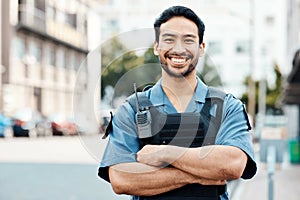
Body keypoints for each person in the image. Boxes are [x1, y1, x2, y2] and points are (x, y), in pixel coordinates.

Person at [98, 5, 257, 200]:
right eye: (169, 39)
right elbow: (121, 179)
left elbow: (233, 164)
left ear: (201, 48)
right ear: (157, 47)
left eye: (188, 40)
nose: (179, 49)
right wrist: (202, 174)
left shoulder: (226, 106)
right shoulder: (131, 109)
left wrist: (164, 153)